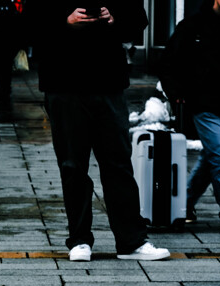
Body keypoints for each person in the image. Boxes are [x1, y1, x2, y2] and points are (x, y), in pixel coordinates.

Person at [24, 0, 170, 260]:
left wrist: (114, 18)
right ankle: (79, 240)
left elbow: (139, 20)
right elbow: (28, 25)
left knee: (118, 164)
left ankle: (131, 241)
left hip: (108, 81)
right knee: (72, 165)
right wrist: (65, 21)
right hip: (63, 81)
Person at [161, 0, 220, 232]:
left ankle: (183, 206)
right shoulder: (194, 25)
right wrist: (176, 93)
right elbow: (169, 61)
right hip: (203, 105)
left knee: (211, 158)